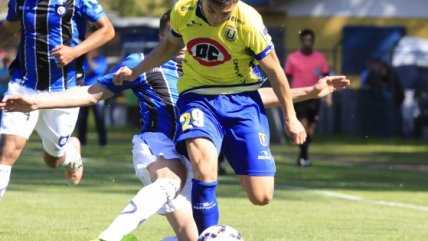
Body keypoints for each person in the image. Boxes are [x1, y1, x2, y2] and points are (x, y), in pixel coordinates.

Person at [1, 10, 350, 241]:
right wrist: (38, 101)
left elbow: (254, 97)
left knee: (194, 237)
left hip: (189, 155)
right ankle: (108, 237)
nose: (184, 46)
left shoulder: (207, 69)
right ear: (166, 37)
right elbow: (92, 94)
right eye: (176, 37)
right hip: (156, 144)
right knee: (172, 180)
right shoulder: (142, 64)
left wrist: (311, 92)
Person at [113, 0, 308, 234]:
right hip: (198, 98)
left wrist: (291, 117)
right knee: (204, 169)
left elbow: (275, 71)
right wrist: (135, 71)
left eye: (225, 13)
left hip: (243, 101)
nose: (218, 19)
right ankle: (209, 235)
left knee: (261, 195)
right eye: (213, 12)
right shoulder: (183, 11)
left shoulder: (249, 22)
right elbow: (168, 47)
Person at [0, 0, 115, 200]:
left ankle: (71, 150)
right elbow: (7, 30)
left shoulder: (79, 1)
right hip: (23, 85)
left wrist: (75, 52)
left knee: (53, 159)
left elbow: (107, 30)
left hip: (64, 92)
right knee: (8, 150)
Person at [284, 28, 330, 167]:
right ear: (301, 41)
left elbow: (326, 77)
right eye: (304, 40)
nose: (307, 43)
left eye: (309, 40)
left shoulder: (320, 58)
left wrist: (328, 96)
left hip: (315, 97)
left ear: (313, 41)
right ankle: (304, 157)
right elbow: (286, 79)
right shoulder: (293, 58)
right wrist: (287, 96)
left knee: (311, 129)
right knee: (303, 125)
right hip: (300, 96)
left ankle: (303, 155)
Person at [78, 47, 109, 146]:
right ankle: (81, 141)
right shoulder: (84, 62)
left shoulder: (102, 60)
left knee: (99, 118)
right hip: (84, 93)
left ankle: (102, 142)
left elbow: (96, 70)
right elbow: (83, 74)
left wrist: (90, 59)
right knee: (82, 119)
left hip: (98, 94)